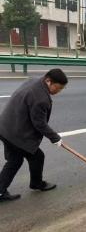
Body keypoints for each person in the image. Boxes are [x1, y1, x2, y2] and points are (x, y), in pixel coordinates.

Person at [0, 69, 67, 202]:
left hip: (5, 126)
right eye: (57, 88)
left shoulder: (34, 81)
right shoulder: (41, 99)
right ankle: (36, 183)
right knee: (35, 157)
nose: (58, 91)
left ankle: (2, 190)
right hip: (15, 133)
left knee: (15, 160)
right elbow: (40, 124)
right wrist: (55, 138)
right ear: (48, 81)